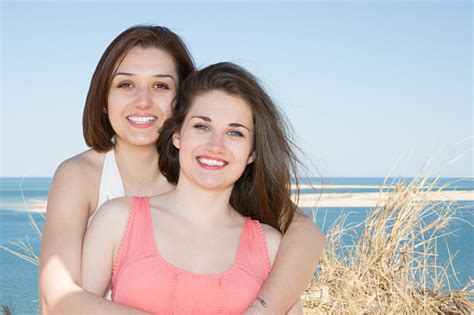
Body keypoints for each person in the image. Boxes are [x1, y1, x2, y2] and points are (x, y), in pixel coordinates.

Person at [39, 25, 325, 314]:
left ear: (182, 101)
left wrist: (262, 309)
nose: (143, 101)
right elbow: (58, 301)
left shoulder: (210, 175)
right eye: (125, 84)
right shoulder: (86, 182)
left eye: (160, 86)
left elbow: (306, 235)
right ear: (103, 96)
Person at [82, 62, 305, 314]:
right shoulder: (117, 220)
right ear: (177, 135)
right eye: (202, 126)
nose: (216, 145)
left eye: (235, 133)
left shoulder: (271, 246)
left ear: (252, 153)